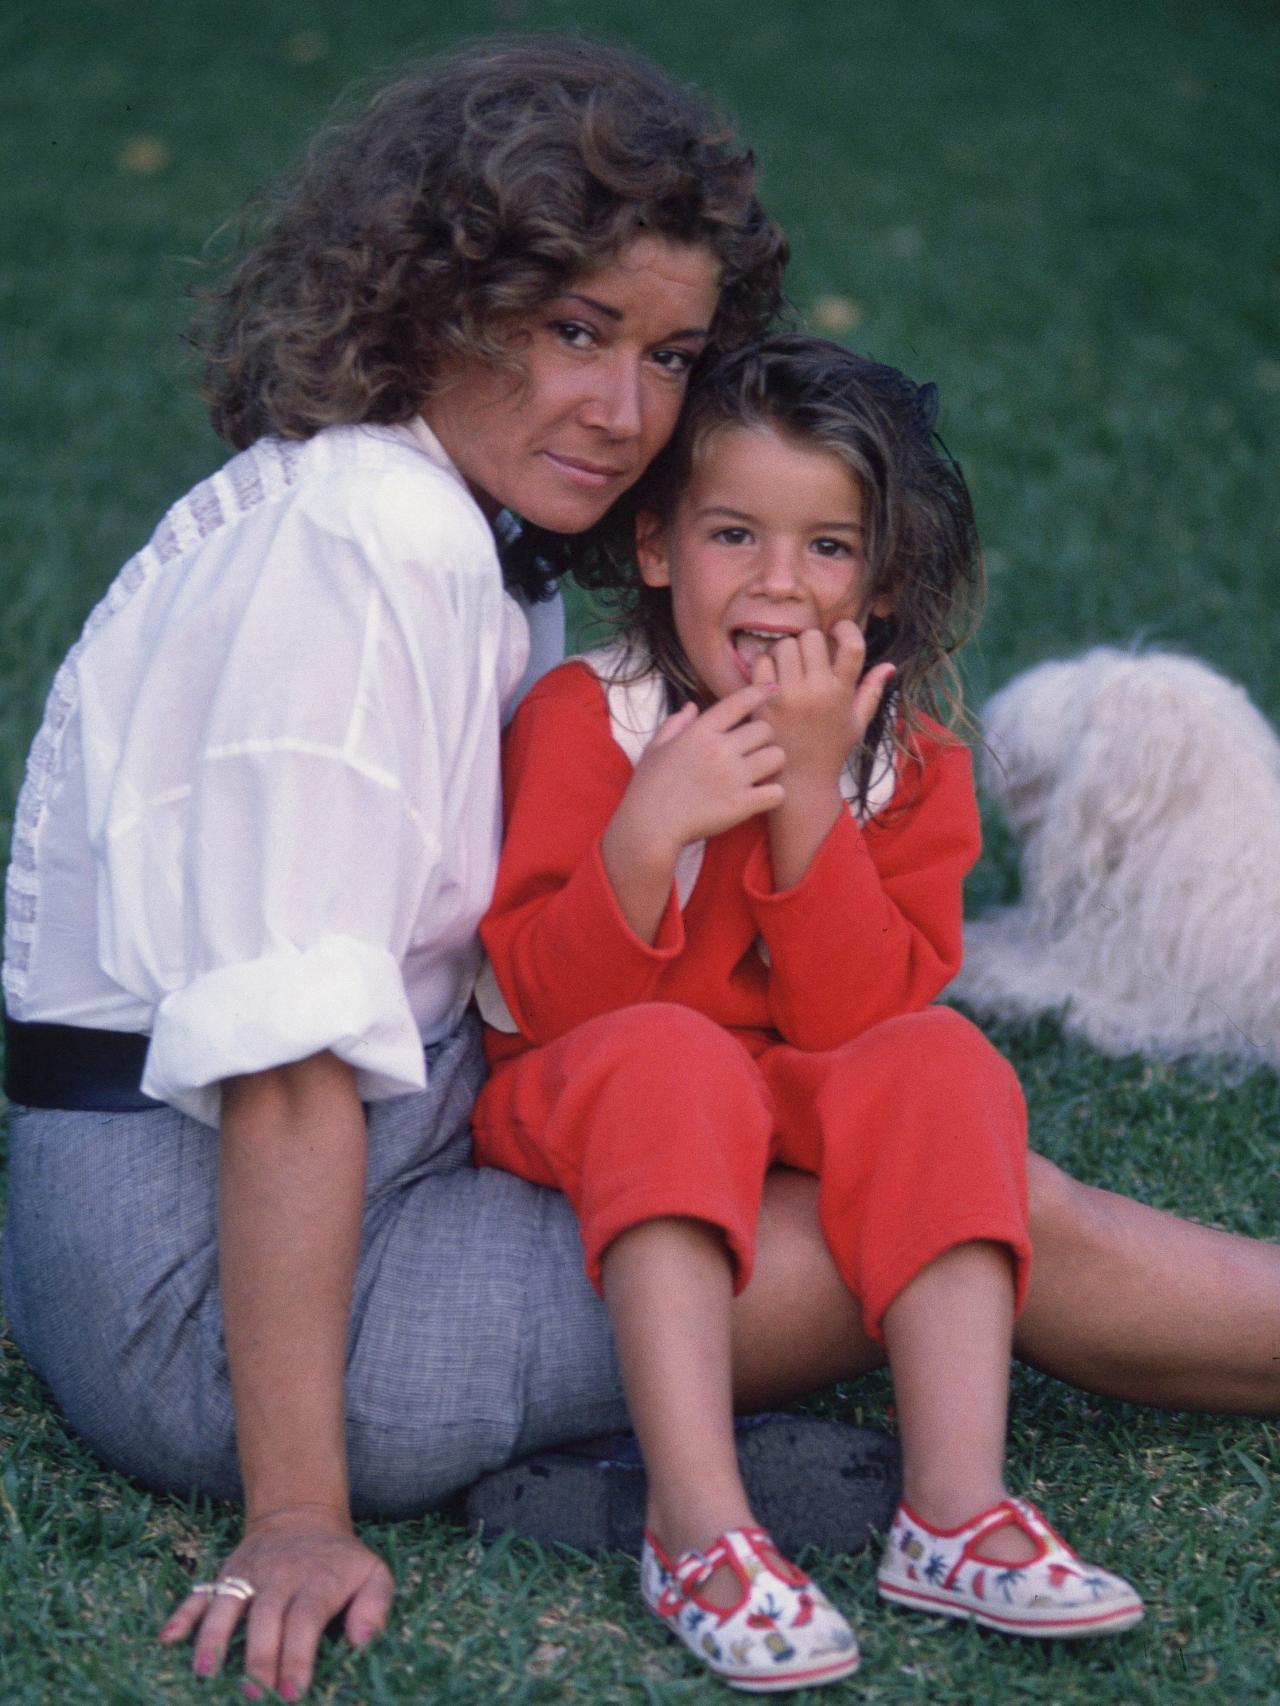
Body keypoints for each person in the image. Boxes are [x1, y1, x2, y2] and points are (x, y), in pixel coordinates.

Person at [0, 29, 1277, 1706]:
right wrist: (297, 1508)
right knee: (956, 1207)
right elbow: (292, 1046)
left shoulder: (458, 528)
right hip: (195, 1299)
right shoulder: (359, 543)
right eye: (572, 333)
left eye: (670, 355)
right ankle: (723, 1504)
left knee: (919, 1134)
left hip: (369, 1156)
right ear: (433, 298)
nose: (623, 413)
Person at [472, 337, 1143, 1689]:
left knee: (945, 1060)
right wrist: (643, 838)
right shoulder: (586, 720)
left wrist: (807, 803)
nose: (779, 582)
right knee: (670, 1056)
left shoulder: (908, 766)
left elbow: (857, 1021)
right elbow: (540, 1003)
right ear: (657, 545)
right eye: (735, 532)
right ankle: (698, 1521)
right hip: (590, 1086)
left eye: (828, 545)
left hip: (785, 1087)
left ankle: (953, 1509)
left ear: (883, 577)